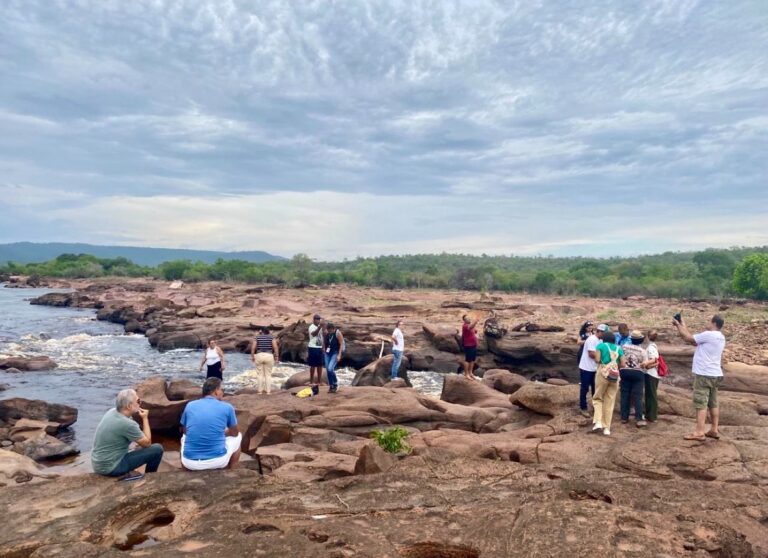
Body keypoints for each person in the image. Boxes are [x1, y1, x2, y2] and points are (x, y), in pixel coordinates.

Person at [673, 314, 726, 441]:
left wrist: (677, 325)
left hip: (704, 374)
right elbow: (693, 339)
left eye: (709, 320)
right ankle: (714, 429)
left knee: (700, 403)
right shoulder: (720, 337)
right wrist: (682, 324)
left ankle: (699, 432)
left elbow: (687, 338)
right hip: (715, 373)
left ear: (714, 323)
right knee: (713, 403)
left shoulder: (709, 335)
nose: (707, 322)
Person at [91, 389, 164, 480]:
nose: (140, 403)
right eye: (138, 401)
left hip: (98, 464)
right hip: (111, 467)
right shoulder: (127, 424)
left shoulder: (112, 412)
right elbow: (148, 443)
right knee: (157, 449)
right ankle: (150, 479)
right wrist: (145, 419)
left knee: (139, 445)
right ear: (129, 406)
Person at [180, 377, 241, 470]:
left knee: (184, 438)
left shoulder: (190, 405)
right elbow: (234, 433)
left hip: (189, 463)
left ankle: (185, 472)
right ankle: (233, 471)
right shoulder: (227, 407)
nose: (222, 392)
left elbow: (185, 431)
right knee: (238, 436)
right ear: (216, 391)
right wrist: (221, 432)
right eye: (221, 389)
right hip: (217, 461)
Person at [592, 331, 625, 436]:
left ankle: (598, 422)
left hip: (603, 373)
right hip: (614, 375)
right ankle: (607, 428)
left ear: (604, 338)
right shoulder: (619, 348)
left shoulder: (600, 345)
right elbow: (623, 364)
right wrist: (614, 365)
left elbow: (597, 360)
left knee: (598, 397)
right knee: (610, 401)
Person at [619, 330, 648, 427]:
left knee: (624, 394)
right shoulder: (643, 351)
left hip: (624, 371)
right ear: (641, 340)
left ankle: (624, 417)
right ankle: (639, 418)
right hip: (637, 373)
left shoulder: (623, 347)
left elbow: (619, 357)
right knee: (638, 396)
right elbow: (645, 364)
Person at [577, 322, 603, 416]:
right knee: (585, 388)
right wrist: (602, 359)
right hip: (587, 367)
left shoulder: (600, 340)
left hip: (594, 368)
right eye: (603, 333)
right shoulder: (592, 339)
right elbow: (591, 354)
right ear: (599, 332)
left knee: (595, 388)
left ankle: (595, 406)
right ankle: (583, 407)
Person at [250, 327, 279, 395]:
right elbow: (275, 347)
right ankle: (268, 391)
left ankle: (259, 391)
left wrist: (252, 356)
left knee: (260, 374)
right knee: (268, 375)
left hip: (259, 355)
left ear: (261, 331)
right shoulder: (272, 337)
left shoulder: (257, 337)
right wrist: (277, 357)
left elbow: (253, 347)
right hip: (269, 355)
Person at [642, 330, 661, 422]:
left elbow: (655, 361)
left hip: (651, 374)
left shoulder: (651, 348)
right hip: (652, 374)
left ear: (647, 336)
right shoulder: (653, 347)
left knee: (651, 395)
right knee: (650, 395)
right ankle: (649, 415)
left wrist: (646, 365)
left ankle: (652, 416)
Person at [323, 322, 344, 393]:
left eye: (331, 330)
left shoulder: (337, 333)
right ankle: (331, 386)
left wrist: (339, 355)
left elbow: (341, 344)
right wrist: (323, 349)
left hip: (335, 352)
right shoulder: (326, 333)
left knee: (330, 368)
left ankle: (335, 383)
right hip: (327, 353)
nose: (330, 332)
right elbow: (324, 341)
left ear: (334, 329)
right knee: (327, 369)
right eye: (328, 330)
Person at [307, 314, 325, 394]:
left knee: (320, 365)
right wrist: (319, 327)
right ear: (314, 320)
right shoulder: (311, 327)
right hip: (312, 347)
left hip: (319, 347)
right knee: (313, 365)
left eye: (319, 319)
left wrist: (323, 346)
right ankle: (311, 381)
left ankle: (319, 381)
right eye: (317, 319)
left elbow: (321, 336)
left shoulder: (319, 327)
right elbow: (314, 334)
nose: (318, 320)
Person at [461, 314, 480, 380]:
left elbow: (474, 331)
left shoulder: (470, 326)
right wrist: (476, 321)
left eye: (469, 318)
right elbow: (470, 327)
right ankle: (466, 374)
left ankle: (470, 373)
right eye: (467, 319)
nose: (468, 319)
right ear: (464, 321)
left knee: (473, 359)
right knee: (468, 360)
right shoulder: (465, 326)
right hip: (468, 345)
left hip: (473, 345)